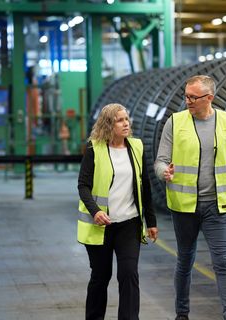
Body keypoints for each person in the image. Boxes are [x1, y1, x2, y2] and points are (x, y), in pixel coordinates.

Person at [154, 75, 226, 320]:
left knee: (223, 263)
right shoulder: (175, 122)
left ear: (209, 98)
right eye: (186, 96)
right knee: (185, 260)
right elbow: (160, 161)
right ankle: (182, 314)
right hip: (184, 206)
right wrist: (163, 172)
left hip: (217, 206)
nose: (187, 101)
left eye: (193, 97)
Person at [77, 103, 158, 320]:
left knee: (129, 274)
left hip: (129, 224)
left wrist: (151, 221)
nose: (126, 123)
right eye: (120, 120)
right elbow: (83, 185)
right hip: (100, 226)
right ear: (108, 124)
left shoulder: (136, 147)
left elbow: (145, 185)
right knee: (101, 277)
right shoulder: (95, 149)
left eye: (126, 119)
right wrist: (95, 212)